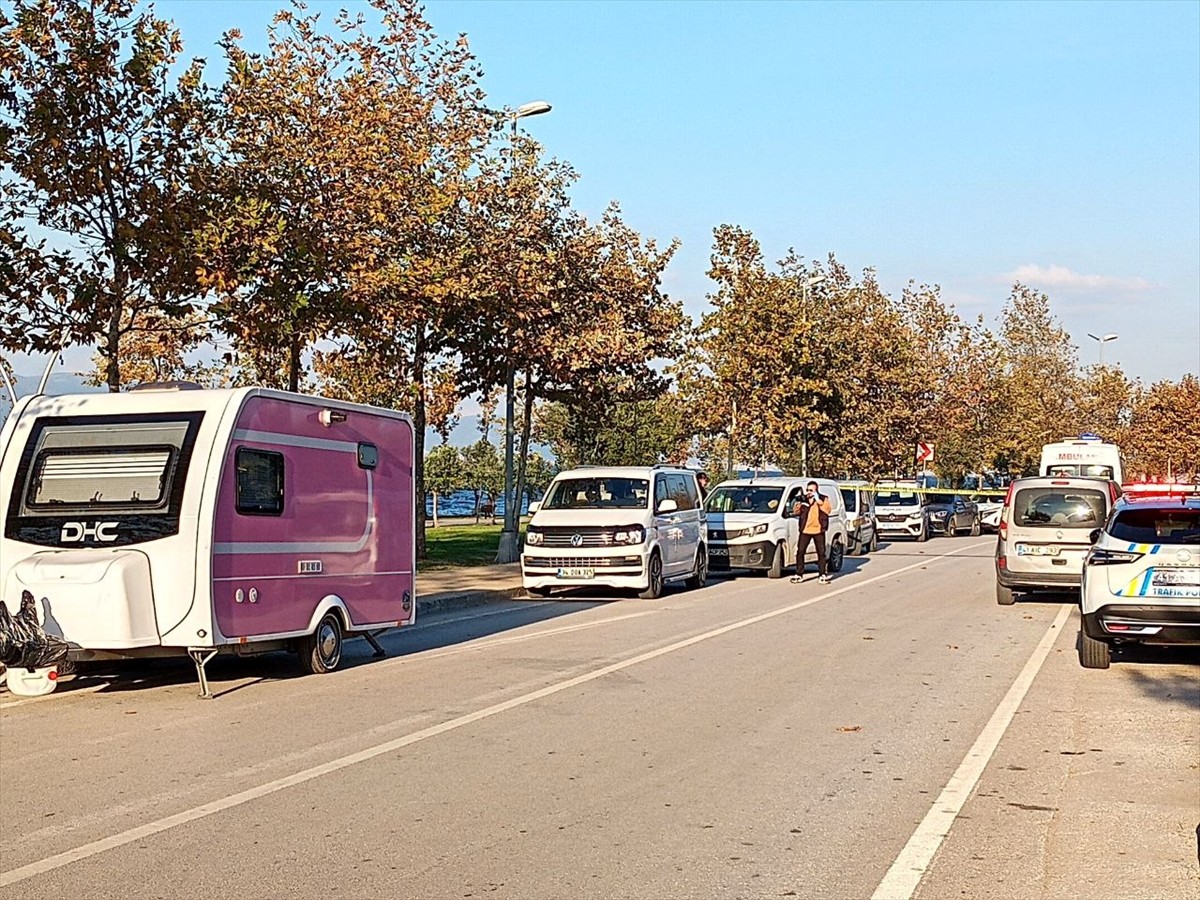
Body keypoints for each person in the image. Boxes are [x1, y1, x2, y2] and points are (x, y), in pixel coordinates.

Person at [790, 480, 832, 584]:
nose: (809, 492)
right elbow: (796, 512)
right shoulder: (805, 499)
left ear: (816, 490)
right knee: (800, 552)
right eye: (808, 490)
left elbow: (827, 510)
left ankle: (822, 574)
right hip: (805, 530)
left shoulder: (823, 498)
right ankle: (799, 574)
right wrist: (798, 504)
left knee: (821, 553)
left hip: (818, 530)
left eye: (811, 490)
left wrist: (817, 500)